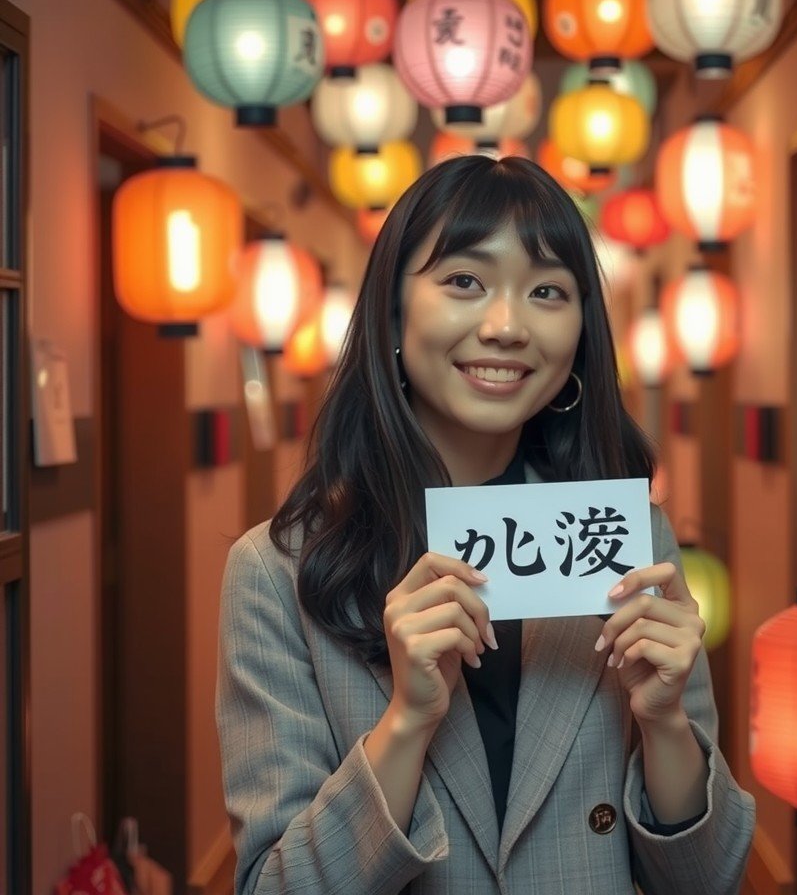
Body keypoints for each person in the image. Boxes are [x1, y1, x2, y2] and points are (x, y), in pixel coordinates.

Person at [216, 155, 755, 895]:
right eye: (464, 281)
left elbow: (708, 881)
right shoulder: (276, 574)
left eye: (547, 292)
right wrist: (406, 723)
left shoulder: (621, 540)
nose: (506, 326)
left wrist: (665, 724)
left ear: (580, 334)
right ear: (394, 313)